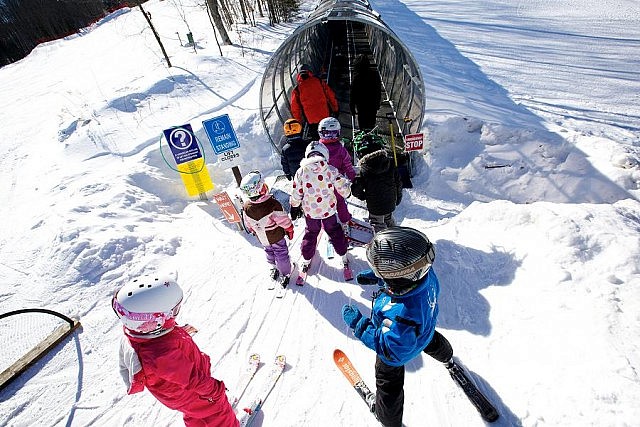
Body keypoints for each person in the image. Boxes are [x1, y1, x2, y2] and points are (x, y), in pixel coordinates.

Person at [341, 227, 455, 427]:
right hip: (425, 330)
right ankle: (448, 358)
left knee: (389, 387)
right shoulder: (426, 274)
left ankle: (388, 419)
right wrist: (379, 276)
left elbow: (389, 348)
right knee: (432, 341)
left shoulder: (401, 315)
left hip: (395, 354)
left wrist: (358, 323)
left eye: (383, 271)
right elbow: (406, 273)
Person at [113, 275, 239, 427]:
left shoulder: (143, 334)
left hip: (183, 396)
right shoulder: (161, 355)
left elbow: (162, 341)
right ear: (155, 322)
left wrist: (179, 333)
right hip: (195, 393)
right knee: (218, 412)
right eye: (173, 311)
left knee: (196, 413)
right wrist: (216, 392)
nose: (175, 314)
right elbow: (192, 379)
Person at [289, 141, 351, 273]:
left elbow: (297, 192)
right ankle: (343, 254)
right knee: (334, 231)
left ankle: (306, 258)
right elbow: (341, 185)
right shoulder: (331, 169)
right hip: (328, 210)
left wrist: (294, 205)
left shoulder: (301, 172)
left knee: (311, 233)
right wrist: (347, 192)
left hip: (310, 212)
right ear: (325, 155)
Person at [240, 170, 295, 286]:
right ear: (260, 188)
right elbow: (283, 220)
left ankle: (273, 267)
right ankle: (286, 272)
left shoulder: (246, 206)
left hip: (262, 237)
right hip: (275, 235)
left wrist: (253, 230)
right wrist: (289, 228)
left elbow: (248, 223)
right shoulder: (272, 204)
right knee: (281, 252)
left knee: (269, 251)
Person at [351, 132, 402, 232]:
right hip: (390, 201)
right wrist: (398, 197)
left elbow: (356, 190)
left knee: (377, 225)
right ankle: (396, 235)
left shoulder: (363, 169)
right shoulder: (390, 164)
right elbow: (398, 183)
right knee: (388, 218)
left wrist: (364, 196)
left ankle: (382, 243)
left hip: (375, 206)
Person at [317, 116, 356, 227]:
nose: (331, 137)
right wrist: (353, 178)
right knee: (340, 202)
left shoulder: (317, 149)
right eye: (327, 133)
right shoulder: (341, 150)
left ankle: (328, 224)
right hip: (337, 183)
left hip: (321, 183)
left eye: (333, 133)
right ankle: (345, 219)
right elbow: (348, 166)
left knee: (325, 204)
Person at [290, 64, 339, 140]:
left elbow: (295, 109)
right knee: (328, 137)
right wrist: (335, 109)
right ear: (309, 71)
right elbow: (330, 95)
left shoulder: (297, 89)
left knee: (317, 139)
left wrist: (299, 123)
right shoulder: (318, 81)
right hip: (325, 115)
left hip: (311, 120)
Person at [350, 54, 382, 132]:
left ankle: (364, 137)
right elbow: (378, 91)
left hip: (361, 105)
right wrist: (377, 104)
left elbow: (353, 94)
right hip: (372, 104)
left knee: (362, 124)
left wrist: (352, 107)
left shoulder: (356, 76)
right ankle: (371, 137)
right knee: (371, 123)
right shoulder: (375, 74)